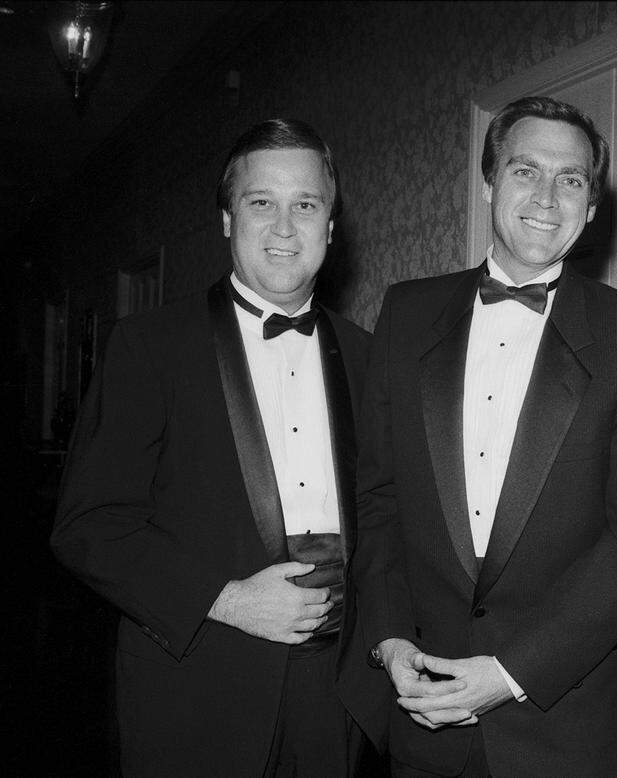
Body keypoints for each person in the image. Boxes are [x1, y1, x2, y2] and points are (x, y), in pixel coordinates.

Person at [350, 95, 617, 777]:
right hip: (423, 712)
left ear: (592, 206)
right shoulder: (405, 313)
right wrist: (388, 639)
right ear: (490, 181)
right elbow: (379, 501)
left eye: (571, 179)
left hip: (566, 730)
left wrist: (510, 673)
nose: (547, 198)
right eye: (526, 170)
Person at [52, 119, 375, 777]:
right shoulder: (148, 346)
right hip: (198, 691)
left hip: (337, 698)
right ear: (228, 219)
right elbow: (88, 526)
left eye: (305, 204)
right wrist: (226, 599)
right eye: (261, 202)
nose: (284, 227)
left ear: (331, 226)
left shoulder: (369, 356)